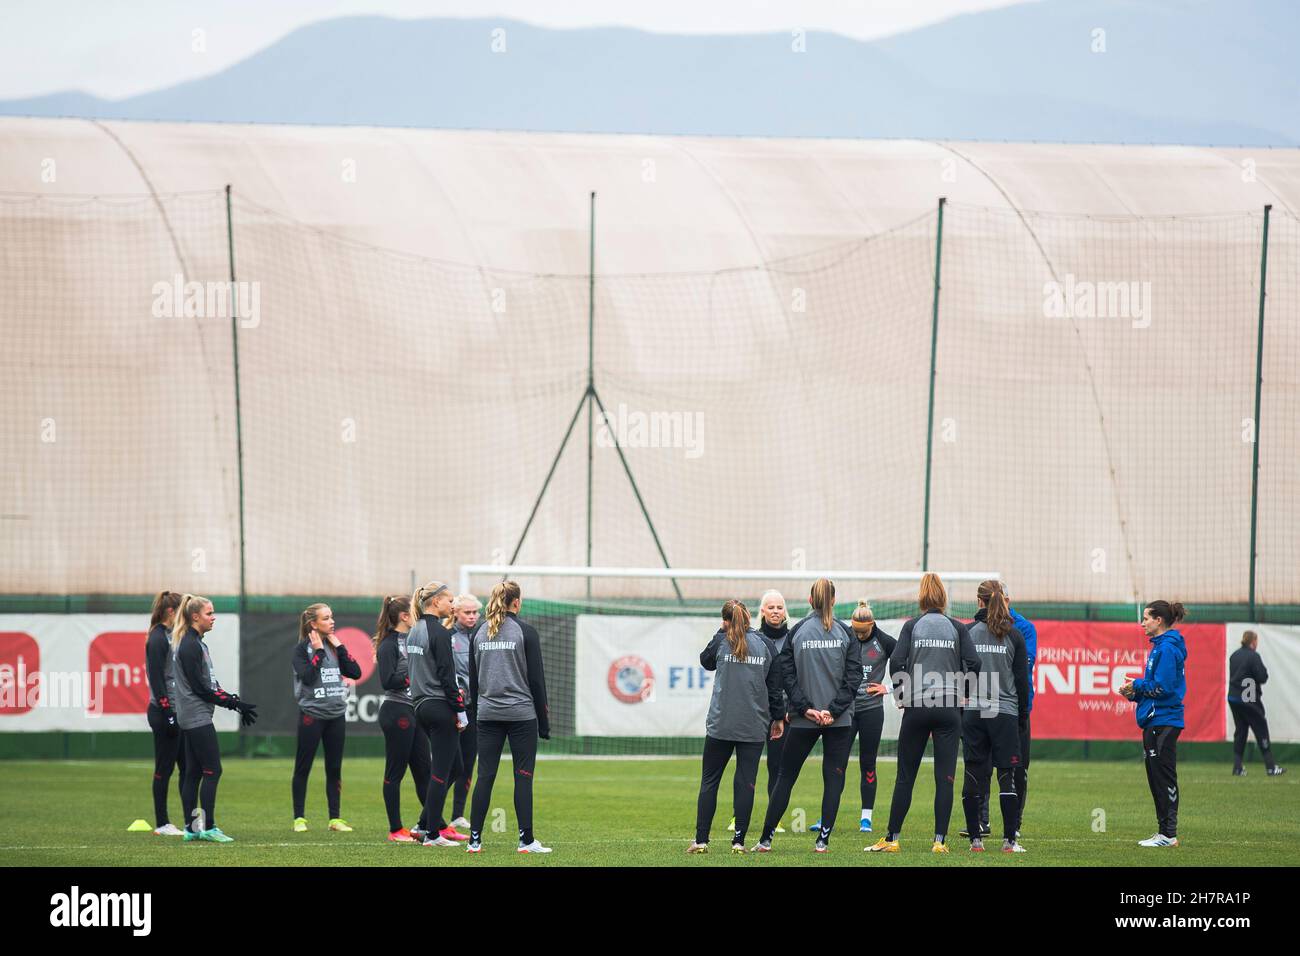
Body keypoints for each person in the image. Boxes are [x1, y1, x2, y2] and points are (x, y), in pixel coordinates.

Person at [867, 572, 979, 854]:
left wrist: (902, 695)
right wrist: (963, 691)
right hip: (948, 709)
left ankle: (892, 838)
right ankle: (939, 841)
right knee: (945, 777)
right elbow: (974, 663)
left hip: (917, 707)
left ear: (921, 597)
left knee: (905, 775)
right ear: (943, 597)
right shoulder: (957, 627)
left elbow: (897, 661)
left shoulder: (912, 626)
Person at [752, 578, 863, 853]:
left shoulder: (798, 632)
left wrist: (805, 709)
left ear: (811, 601)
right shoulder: (846, 633)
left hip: (803, 720)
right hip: (838, 721)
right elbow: (854, 677)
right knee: (833, 779)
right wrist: (833, 710)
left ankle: (766, 840)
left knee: (785, 777)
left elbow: (786, 676)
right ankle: (822, 841)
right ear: (834, 601)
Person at [688, 600, 785, 854]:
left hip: (721, 724)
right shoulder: (765, 645)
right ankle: (739, 842)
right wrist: (778, 718)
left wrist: (721, 631)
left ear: (726, 620)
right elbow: (775, 687)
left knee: (709, 781)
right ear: (750, 617)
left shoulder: (722, 641)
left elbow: (705, 660)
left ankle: (701, 841)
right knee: (746, 783)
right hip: (753, 727)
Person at [466, 580, 552, 853]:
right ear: (516, 602)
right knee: (523, 777)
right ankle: (526, 841)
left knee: (484, 776)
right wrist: (544, 722)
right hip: (521, 715)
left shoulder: (478, 632)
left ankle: (474, 840)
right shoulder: (525, 631)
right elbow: (537, 681)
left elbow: (473, 681)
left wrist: (475, 714)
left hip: (487, 715)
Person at [171, 593, 257, 842]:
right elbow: (200, 688)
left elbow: (209, 683)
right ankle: (207, 827)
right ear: (195, 616)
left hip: (194, 714)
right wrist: (232, 703)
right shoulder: (189, 645)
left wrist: (233, 700)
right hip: (196, 716)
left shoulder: (197, 643)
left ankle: (191, 829)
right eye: (209, 613)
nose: (213, 617)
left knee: (194, 772)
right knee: (212, 770)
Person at [960, 580, 1030, 853]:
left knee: (974, 773)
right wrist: (1022, 715)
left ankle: (976, 840)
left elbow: (962, 675)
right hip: (1004, 713)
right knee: (1006, 776)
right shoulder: (1014, 635)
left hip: (975, 712)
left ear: (979, 601)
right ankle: (1009, 841)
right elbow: (1022, 682)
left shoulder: (968, 633)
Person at [406, 581, 471, 846]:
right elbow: (447, 677)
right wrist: (460, 709)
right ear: (435, 602)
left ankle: (423, 824)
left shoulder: (414, 632)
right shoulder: (440, 633)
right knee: (442, 772)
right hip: (438, 705)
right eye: (449, 600)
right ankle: (432, 834)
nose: (453, 605)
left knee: (456, 767)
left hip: (420, 706)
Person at [1119, 600, 1187, 848]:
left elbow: (1163, 688)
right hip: (1155, 719)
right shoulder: (1159, 647)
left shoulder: (1167, 649)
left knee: (1164, 778)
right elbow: (1156, 688)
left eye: (1146, 618)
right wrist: (1134, 693)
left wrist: (1137, 685)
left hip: (1165, 720)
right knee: (1155, 778)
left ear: (1159, 620)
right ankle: (1163, 833)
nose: (1142, 623)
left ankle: (1169, 834)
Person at [291, 603, 361, 832]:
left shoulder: (334, 646)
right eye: (326, 618)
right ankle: (299, 818)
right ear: (313, 623)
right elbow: (309, 677)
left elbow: (355, 672)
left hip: (336, 715)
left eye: (332, 617)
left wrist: (339, 647)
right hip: (312, 715)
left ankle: (335, 819)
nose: (332, 622)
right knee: (303, 768)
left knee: (334, 768)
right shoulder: (302, 650)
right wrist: (319, 651)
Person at [374, 594, 430, 842]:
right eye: (414, 611)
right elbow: (387, 680)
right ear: (405, 616)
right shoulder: (389, 644)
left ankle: (435, 825)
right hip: (397, 712)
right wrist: (413, 675)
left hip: (413, 711)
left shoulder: (414, 639)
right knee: (395, 771)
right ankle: (395, 830)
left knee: (424, 770)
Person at [848, 600, 895, 834]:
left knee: (868, 762)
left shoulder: (885, 641)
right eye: (855, 631)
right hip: (845, 710)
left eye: (863, 632)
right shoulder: (845, 637)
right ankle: (827, 815)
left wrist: (890, 688)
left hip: (871, 711)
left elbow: (909, 663)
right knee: (834, 762)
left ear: (872, 625)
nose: (858, 635)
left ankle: (866, 817)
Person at [144, 589, 185, 836]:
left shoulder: (173, 635)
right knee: (164, 768)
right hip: (163, 712)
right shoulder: (158, 637)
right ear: (171, 611)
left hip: (179, 710)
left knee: (189, 768)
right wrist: (167, 710)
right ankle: (162, 823)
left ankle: (192, 819)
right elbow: (156, 678)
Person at [752, 589, 790, 834]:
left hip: (783, 713)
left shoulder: (794, 638)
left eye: (779, 607)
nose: (775, 612)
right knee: (748, 764)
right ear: (762, 611)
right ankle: (738, 815)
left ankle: (774, 818)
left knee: (777, 766)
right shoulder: (753, 638)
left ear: (784, 611)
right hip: (755, 711)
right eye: (771, 607)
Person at [447, 593, 483, 829]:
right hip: (453, 708)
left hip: (476, 708)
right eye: (466, 612)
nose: (471, 617)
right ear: (455, 613)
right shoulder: (447, 638)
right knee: (450, 762)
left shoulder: (483, 635)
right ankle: (431, 811)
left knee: (469, 762)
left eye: (474, 612)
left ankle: (458, 814)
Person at [1229, 631, 1286, 777]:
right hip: (1248, 698)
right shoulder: (1254, 656)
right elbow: (1262, 676)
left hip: (1233, 698)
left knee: (1240, 732)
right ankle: (1271, 767)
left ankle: (1237, 767)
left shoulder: (1234, 655)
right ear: (1253, 641)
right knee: (1261, 729)